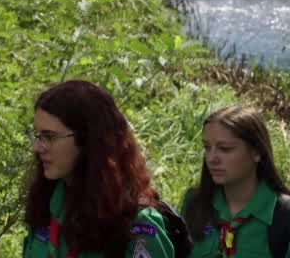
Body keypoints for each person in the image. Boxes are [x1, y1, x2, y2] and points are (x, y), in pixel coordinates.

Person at [23, 80, 175, 258]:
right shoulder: (46, 205)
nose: (38, 147)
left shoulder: (137, 226)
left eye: (49, 137)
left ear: (88, 139)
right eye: (38, 135)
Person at [182, 105, 290, 258]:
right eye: (207, 147)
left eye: (225, 149)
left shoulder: (283, 216)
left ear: (257, 152)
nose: (212, 158)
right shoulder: (195, 204)